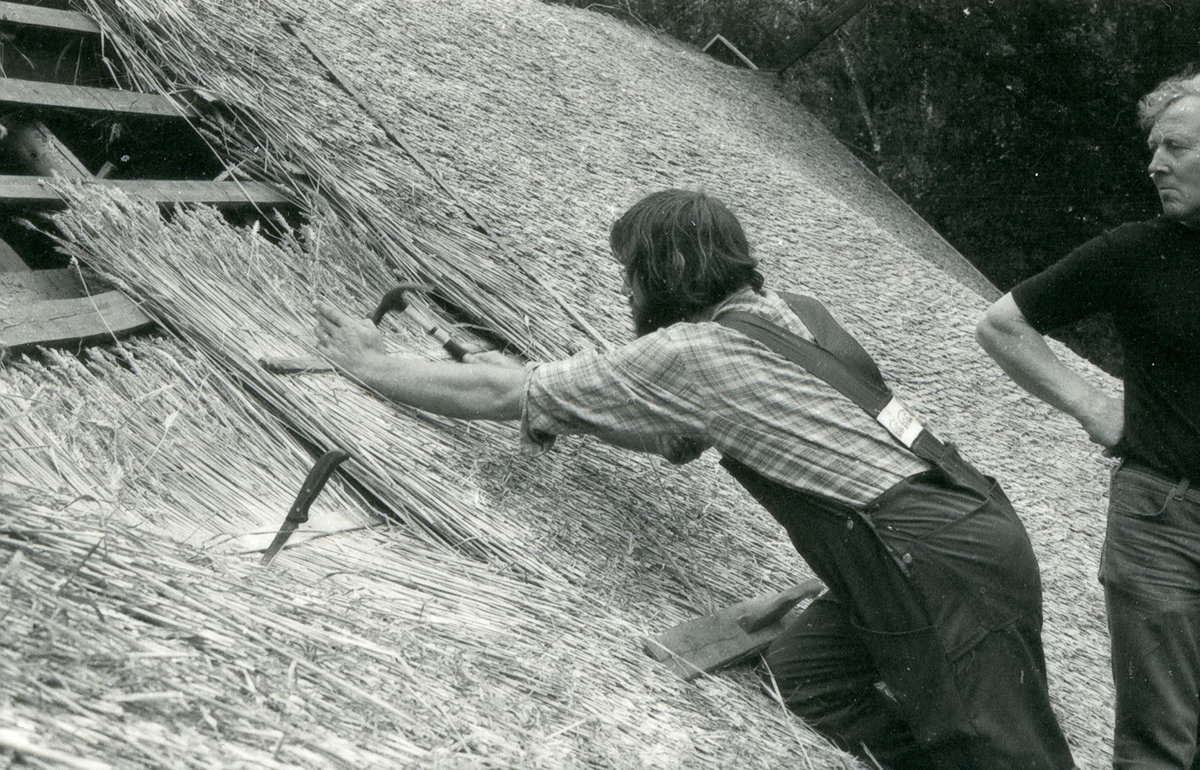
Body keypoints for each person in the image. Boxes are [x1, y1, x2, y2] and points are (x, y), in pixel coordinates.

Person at [315, 189, 1075, 769]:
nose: (624, 293)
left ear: (659, 271)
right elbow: (676, 440)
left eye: (627, 274)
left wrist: (370, 364)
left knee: (1002, 749)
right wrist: (565, 412)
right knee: (805, 681)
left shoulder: (690, 352)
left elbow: (495, 393)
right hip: (961, 522)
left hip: (920, 553)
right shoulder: (796, 312)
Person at [976, 69, 1200, 770]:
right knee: (1162, 741)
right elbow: (1004, 325)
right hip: (1162, 518)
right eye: (1153, 148)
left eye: (1177, 147)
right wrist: (1093, 405)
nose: (1153, 163)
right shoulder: (1136, 252)